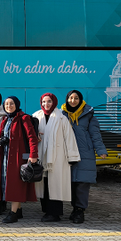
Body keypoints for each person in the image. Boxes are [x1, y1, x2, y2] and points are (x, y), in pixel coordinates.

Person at [0, 96, 39, 223]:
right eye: (6, 104)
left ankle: (13, 213)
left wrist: (33, 155)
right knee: (9, 183)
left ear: (17, 105)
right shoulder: (5, 120)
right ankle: (18, 211)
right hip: (7, 157)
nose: (9, 106)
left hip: (19, 157)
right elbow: (0, 137)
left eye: (11, 104)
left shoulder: (24, 119)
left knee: (15, 184)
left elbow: (32, 138)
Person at [61, 90, 107, 224]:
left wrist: (100, 150)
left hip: (84, 153)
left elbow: (95, 134)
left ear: (80, 100)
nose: (73, 101)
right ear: (67, 99)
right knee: (71, 184)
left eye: (76, 98)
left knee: (82, 183)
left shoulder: (88, 114)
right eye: (71, 98)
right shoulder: (61, 114)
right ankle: (74, 208)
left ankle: (79, 211)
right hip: (66, 153)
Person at [33, 93, 81, 222]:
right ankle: (46, 210)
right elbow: (30, 134)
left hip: (57, 158)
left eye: (49, 101)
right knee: (43, 184)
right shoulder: (36, 116)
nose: (46, 104)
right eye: (43, 102)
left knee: (55, 185)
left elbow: (69, 138)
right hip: (42, 156)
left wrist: (72, 156)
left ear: (54, 102)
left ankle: (54, 213)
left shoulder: (61, 118)